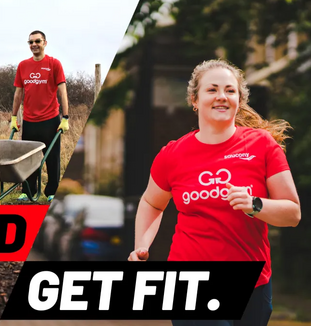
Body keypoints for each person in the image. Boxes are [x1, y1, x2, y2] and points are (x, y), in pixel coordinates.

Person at [128, 59, 301, 326]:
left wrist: (255, 204)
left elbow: (292, 213)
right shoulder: (172, 154)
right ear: (195, 99)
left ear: (239, 99)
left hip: (253, 284)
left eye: (230, 91)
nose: (222, 96)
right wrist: (142, 245)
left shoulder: (262, 146)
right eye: (212, 90)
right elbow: (152, 202)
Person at [11, 30, 69, 203]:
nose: (34, 44)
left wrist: (65, 117)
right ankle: (28, 191)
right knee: (29, 158)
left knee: (52, 158)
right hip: (29, 121)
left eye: (37, 41)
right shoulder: (23, 65)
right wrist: (14, 118)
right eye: (30, 42)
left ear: (45, 43)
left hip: (50, 120)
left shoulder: (54, 64)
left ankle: (52, 191)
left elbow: (62, 92)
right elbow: (18, 94)